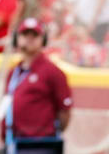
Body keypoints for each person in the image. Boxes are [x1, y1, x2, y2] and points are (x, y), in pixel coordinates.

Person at [4, 18, 73, 153]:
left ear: (43, 40)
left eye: (34, 35)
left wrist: (50, 134)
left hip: (41, 145)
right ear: (16, 38)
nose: (29, 39)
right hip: (13, 143)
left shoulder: (53, 72)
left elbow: (65, 111)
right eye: (25, 34)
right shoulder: (13, 73)